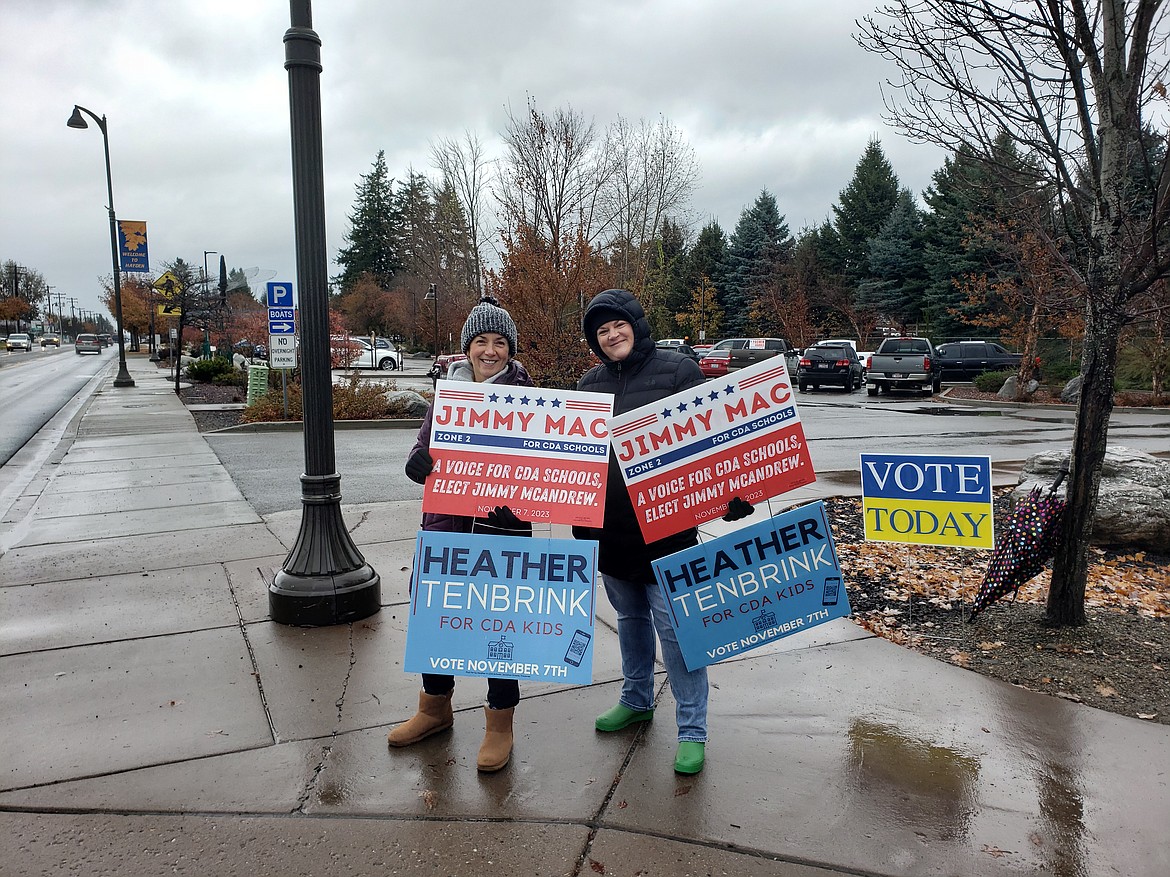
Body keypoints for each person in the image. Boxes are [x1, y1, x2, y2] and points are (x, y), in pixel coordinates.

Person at [574, 288, 748, 776]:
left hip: (667, 531)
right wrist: (579, 515)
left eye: (617, 325)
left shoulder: (678, 371)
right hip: (611, 532)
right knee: (629, 621)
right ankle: (636, 698)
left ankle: (692, 729)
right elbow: (577, 462)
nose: (611, 336)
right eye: (601, 331)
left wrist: (730, 495)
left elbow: (713, 445)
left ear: (636, 323)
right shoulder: (589, 385)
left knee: (678, 632)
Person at [388, 295, 534, 772]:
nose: (489, 351)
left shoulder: (528, 399)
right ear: (467, 346)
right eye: (480, 341)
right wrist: (417, 462)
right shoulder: (448, 393)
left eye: (499, 342)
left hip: (501, 532)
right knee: (438, 620)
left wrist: (523, 510)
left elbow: (546, 473)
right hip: (445, 527)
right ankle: (434, 708)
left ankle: (500, 723)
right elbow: (423, 448)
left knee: (499, 629)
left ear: (510, 349)